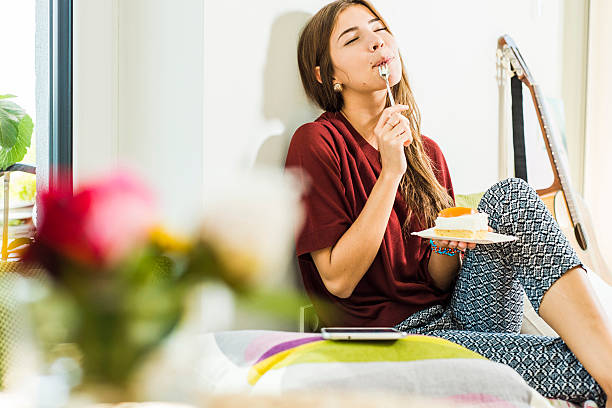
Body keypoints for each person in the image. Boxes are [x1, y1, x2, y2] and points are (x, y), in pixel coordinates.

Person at [284, 1, 612, 406]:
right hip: (395, 341)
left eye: (379, 29)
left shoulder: (427, 153)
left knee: (510, 196)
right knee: (587, 369)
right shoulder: (317, 143)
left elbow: (436, 281)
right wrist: (390, 174)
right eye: (353, 39)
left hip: (459, 316)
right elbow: (338, 280)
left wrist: (447, 247)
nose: (375, 42)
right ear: (328, 75)